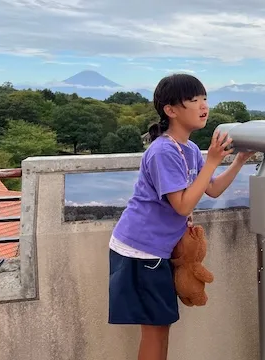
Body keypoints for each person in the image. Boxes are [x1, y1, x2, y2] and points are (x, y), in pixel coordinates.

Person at [107, 73, 255, 360]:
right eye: (193, 100)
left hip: (154, 252)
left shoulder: (188, 149)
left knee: (162, 325)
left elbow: (211, 189)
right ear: (171, 110)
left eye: (204, 98)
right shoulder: (163, 151)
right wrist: (212, 160)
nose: (203, 106)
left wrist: (237, 161)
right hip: (139, 250)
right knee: (155, 330)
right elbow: (183, 206)